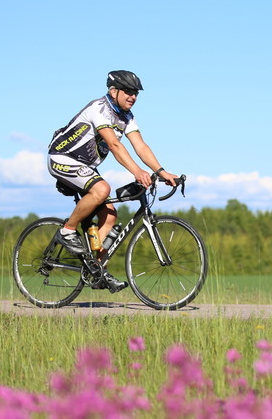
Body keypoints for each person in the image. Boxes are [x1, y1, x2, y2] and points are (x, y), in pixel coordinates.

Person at [47, 70, 178, 292]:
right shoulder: (99, 109)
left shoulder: (127, 117)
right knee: (102, 188)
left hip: (85, 167)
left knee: (109, 215)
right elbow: (115, 145)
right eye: (128, 91)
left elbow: (140, 146)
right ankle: (67, 231)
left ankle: (96, 269)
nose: (133, 97)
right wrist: (137, 171)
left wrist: (161, 171)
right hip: (62, 158)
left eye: (135, 93)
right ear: (113, 91)